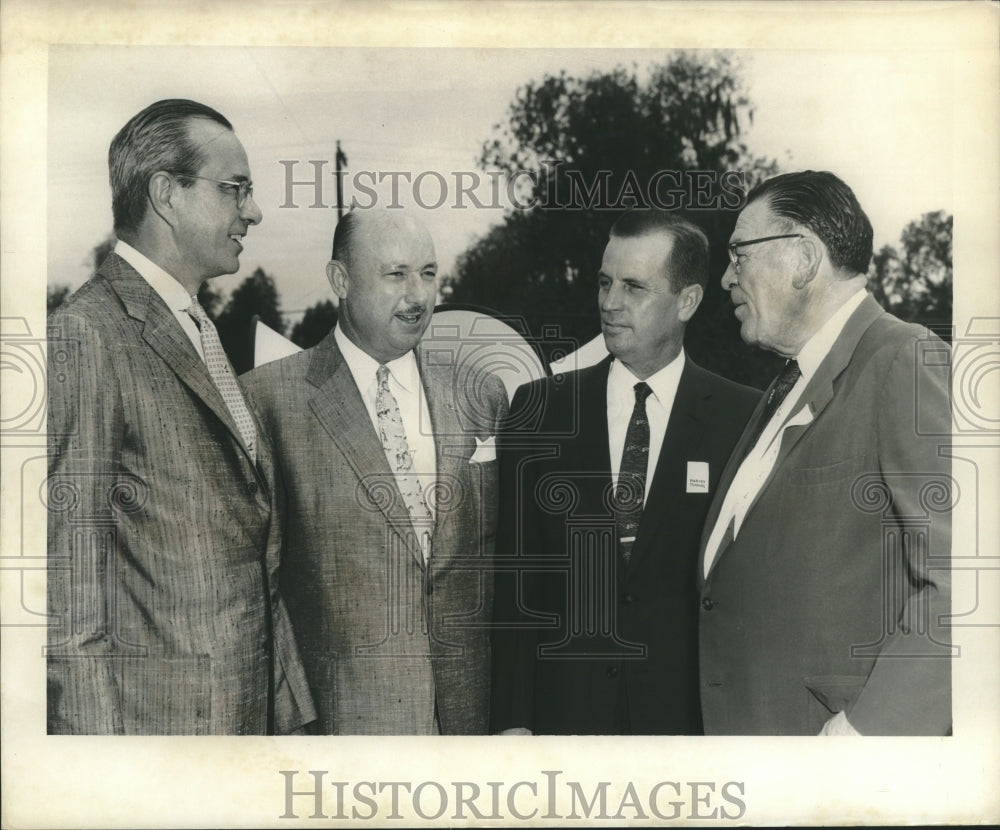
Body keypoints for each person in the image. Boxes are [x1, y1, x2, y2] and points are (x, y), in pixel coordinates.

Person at [46, 99, 314, 735]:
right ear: (166, 193)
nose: (253, 211)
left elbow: (252, 550)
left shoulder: (197, 328)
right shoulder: (86, 336)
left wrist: (293, 714)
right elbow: (68, 607)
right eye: (235, 189)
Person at [698, 170, 952, 735]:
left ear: (805, 258)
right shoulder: (785, 386)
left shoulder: (904, 360)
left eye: (739, 254)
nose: (724, 278)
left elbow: (971, 587)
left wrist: (865, 737)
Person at [491, 210, 760, 735]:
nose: (610, 303)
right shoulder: (540, 411)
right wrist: (511, 722)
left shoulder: (743, 419)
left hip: (688, 730)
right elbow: (516, 585)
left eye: (634, 287)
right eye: (604, 282)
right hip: (563, 724)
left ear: (688, 301)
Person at [243, 208, 507, 735]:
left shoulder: (482, 393)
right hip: (342, 730)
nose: (418, 295)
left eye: (428, 273)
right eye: (395, 274)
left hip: (472, 723)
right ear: (340, 279)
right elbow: (257, 589)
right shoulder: (266, 401)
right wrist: (297, 726)